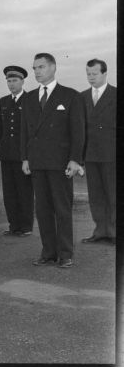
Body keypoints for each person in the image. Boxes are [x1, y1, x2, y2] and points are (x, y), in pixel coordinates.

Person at [21, 53, 85, 269]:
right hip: (38, 162)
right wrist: (25, 158)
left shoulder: (70, 96)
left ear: (53, 67)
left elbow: (78, 132)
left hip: (60, 163)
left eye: (41, 67)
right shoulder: (29, 98)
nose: (37, 72)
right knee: (43, 210)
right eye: (34, 68)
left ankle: (65, 253)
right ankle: (48, 252)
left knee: (62, 209)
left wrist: (75, 160)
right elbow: (25, 132)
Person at [0, 65, 33, 237]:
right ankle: (13, 225)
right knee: (9, 192)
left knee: (24, 191)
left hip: (23, 154)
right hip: (7, 153)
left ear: (22, 81)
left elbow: (32, 129)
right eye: (9, 81)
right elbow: (0, 127)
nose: (11, 84)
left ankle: (26, 226)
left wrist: (30, 154)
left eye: (14, 80)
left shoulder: (30, 99)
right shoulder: (3, 101)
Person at [80, 59, 116, 245]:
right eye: (88, 74)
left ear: (104, 73)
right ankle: (100, 231)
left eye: (94, 74)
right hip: (90, 154)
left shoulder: (116, 95)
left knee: (113, 194)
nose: (91, 77)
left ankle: (114, 232)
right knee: (95, 195)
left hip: (112, 154)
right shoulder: (82, 97)